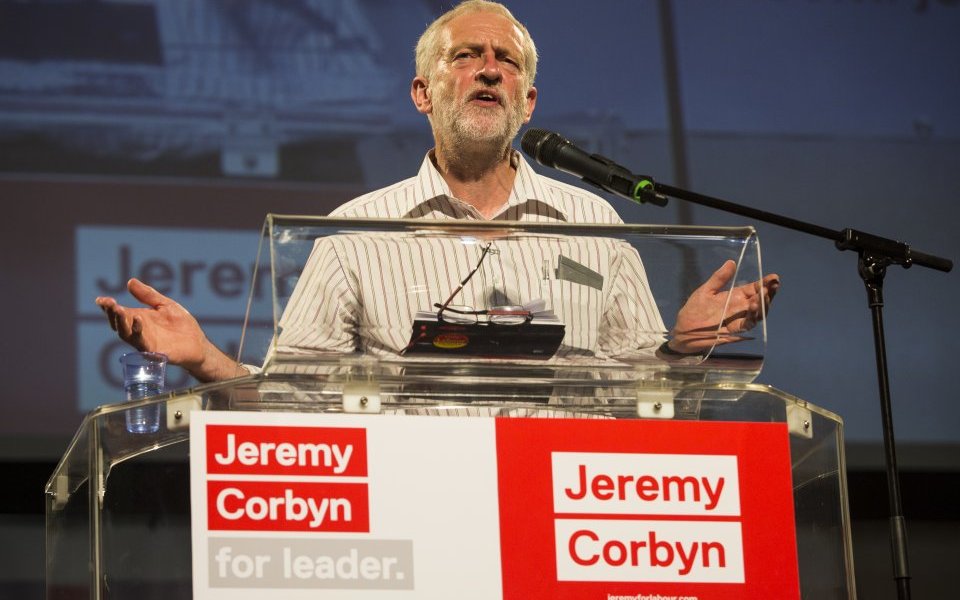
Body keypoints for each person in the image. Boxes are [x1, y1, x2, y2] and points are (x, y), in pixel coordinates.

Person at [96, 0, 779, 382]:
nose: (488, 72)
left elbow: (638, 391)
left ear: (529, 101)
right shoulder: (358, 229)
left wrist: (680, 349)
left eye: (505, 62)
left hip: (561, 506)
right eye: (466, 57)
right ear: (423, 93)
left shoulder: (593, 221)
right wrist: (203, 357)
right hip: (415, 512)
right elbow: (294, 401)